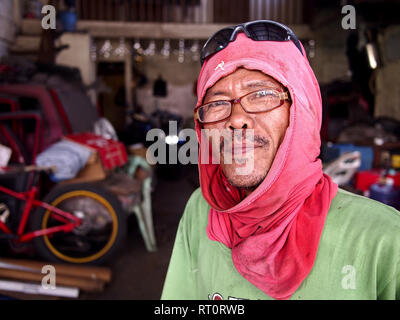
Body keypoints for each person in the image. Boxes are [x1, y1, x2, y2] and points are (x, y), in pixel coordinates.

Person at [161, 20, 400, 300]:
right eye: (216, 103)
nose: (236, 120)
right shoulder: (199, 211)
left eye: (262, 95)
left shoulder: (384, 239)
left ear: (303, 112)